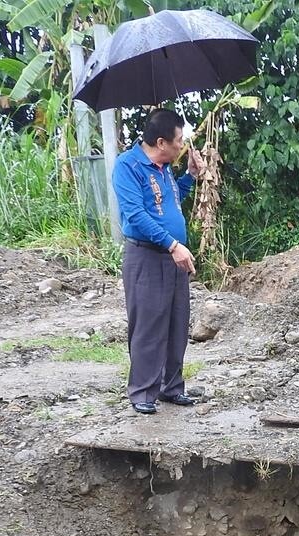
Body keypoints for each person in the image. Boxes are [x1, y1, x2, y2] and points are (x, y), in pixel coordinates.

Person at [112, 108, 202, 415]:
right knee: (149, 325)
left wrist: (190, 176)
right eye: (179, 141)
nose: (182, 146)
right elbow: (136, 215)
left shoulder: (164, 169)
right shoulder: (128, 166)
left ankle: (171, 387)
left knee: (177, 323)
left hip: (173, 257)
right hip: (146, 256)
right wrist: (173, 244)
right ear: (161, 142)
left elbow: (171, 204)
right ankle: (142, 392)